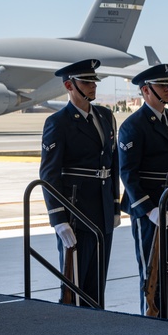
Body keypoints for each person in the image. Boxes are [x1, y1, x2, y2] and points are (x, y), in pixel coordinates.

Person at [118, 64, 168, 320]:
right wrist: (148, 208)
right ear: (146, 91)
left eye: (167, 85)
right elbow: (128, 173)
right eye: (161, 86)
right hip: (151, 208)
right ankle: (151, 323)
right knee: (151, 270)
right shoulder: (134, 125)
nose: (167, 89)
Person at [39, 59, 119, 307]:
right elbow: (49, 175)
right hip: (77, 212)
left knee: (97, 284)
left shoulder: (105, 116)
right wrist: (58, 219)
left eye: (94, 81)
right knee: (74, 283)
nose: (93, 86)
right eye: (86, 82)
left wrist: (115, 206)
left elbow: (112, 164)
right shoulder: (58, 122)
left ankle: (97, 333)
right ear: (69, 86)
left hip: (103, 210)